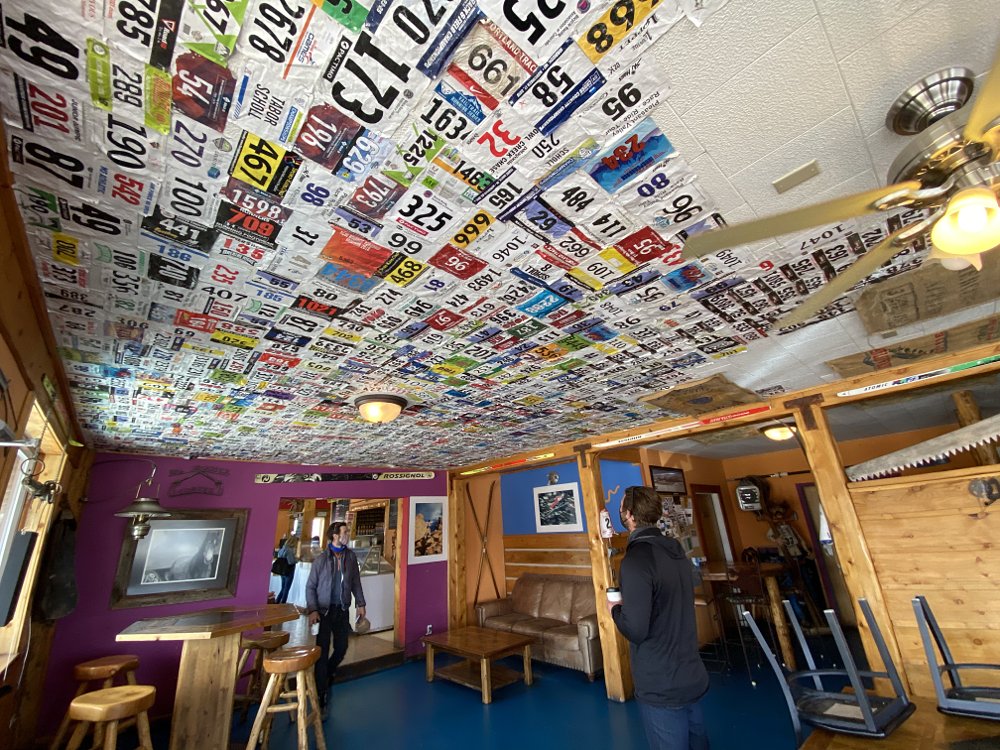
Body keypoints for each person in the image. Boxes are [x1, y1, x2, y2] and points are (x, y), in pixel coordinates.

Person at [608, 486, 710, 750]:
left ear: (628, 515)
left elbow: (636, 629)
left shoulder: (637, 559)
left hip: (662, 682)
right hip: (690, 671)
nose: (620, 510)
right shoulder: (675, 549)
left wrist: (615, 609)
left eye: (621, 507)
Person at [306, 522, 366, 715]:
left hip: (341, 610)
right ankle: (321, 693)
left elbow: (356, 582)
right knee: (322, 652)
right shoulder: (322, 559)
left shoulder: (350, 556)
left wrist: (360, 604)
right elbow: (310, 586)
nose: (347, 534)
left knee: (342, 647)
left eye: (347, 532)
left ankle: (325, 675)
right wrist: (312, 610)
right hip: (324, 611)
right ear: (334, 535)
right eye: (345, 532)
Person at [274, 535, 298, 604]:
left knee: (283, 587)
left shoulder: (283, 548)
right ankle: (282, 603)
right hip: (289, 570)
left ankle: (277, 601)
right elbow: (291, 562)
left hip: (282, 570)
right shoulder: (290, 550)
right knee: (286, 588)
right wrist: (297, 560)